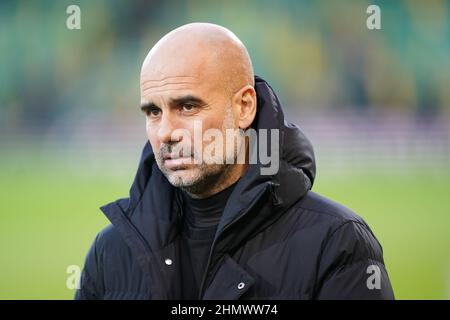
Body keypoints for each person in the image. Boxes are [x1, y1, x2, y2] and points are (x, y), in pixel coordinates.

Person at [75, 23, 394, 300]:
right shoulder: (111, 251)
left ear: (244, 108)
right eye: (153, 112)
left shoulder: (337, 243)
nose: (166, 132)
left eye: (187, 107)